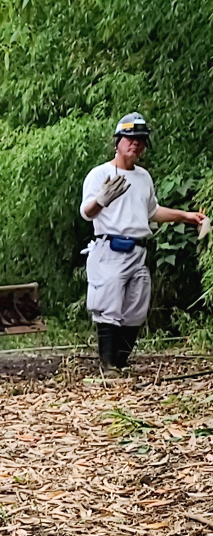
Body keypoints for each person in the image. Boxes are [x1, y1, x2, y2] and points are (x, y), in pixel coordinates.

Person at [80, 112, 207, 370]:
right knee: (107, 308)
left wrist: (185, 216)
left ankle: (120, 363)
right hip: (109, 248)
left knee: (136, 309)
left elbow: (151, 212)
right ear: (118, 141)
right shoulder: (99, 174)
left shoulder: (143, 177)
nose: (135, 143)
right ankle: (108, 367)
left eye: (140, 139)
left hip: (137, 249)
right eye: (129, 138)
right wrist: (101, 200)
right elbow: (86, 213)